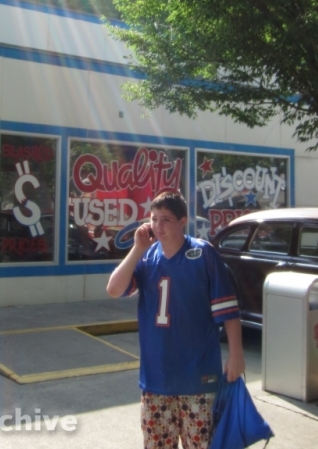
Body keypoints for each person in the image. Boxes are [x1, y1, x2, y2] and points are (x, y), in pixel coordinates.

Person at [107, 191, 245, 449]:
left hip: (198, 377)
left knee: (201, 443)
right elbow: (114, 289)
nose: (158, 226)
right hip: (156, 379)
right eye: (153, 219)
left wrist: (236, 354)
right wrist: (137, 249)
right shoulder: (147, 257)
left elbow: (228, 309)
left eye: (166, 220)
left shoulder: (203, 254)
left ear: (183, 221)